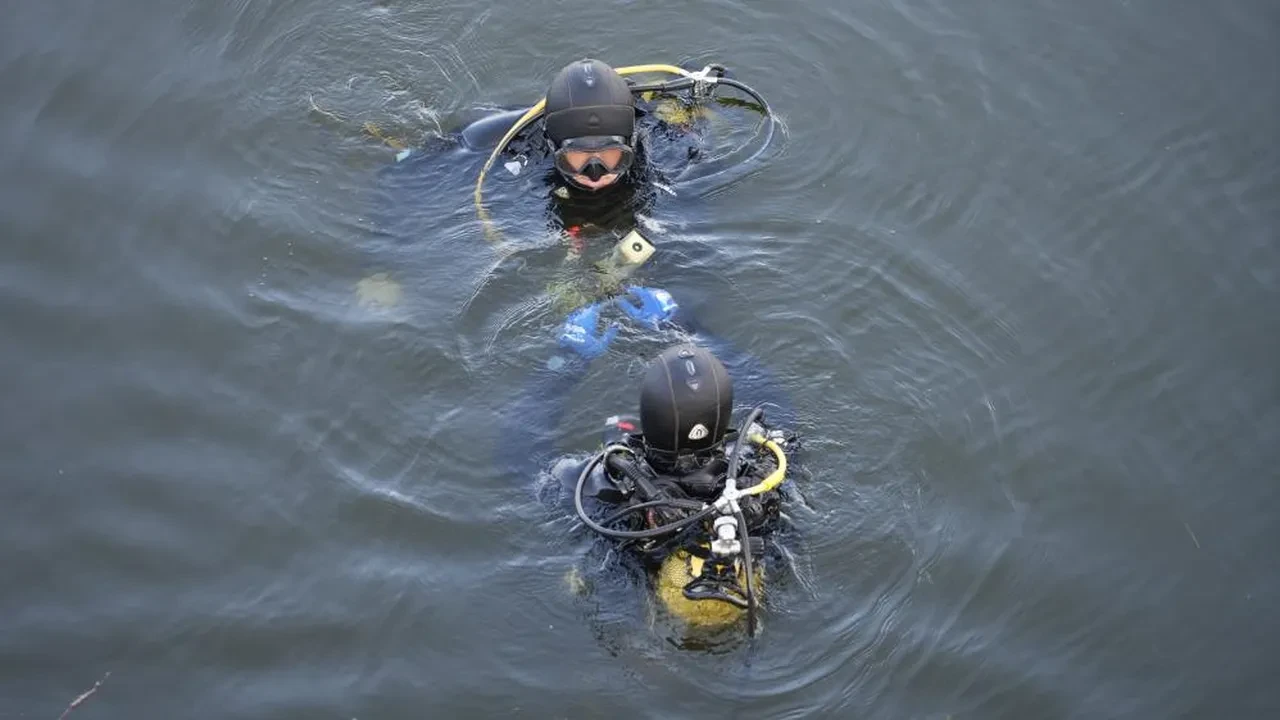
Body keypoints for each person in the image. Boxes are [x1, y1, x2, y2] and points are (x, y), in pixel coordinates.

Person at [513, 343, 799, 636]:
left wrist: (571, 355)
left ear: (649, 413)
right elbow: (785, 414)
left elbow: (518, 454)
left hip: (635, 598)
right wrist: (688, 324)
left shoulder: (599, 482)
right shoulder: (759, 471)